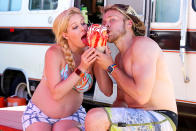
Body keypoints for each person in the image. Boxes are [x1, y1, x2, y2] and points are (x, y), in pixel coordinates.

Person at [85, 4, 178, 131]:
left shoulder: (142, 45)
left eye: (112, 20)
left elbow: (141, 97)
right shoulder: (119, 57)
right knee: (88, 122)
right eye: (104, 21)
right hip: (136, 116)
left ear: (129, 23)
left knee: (94, 117)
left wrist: (110, 66)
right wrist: (98, 54)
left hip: (161, 118)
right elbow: (110, 93)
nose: (105, 25)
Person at [22, 7, 112, 131]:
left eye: (83, 23)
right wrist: (82, 68)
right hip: (39, 115)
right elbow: (56, 94)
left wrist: (102, 58)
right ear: (65, 34)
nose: (83, 28)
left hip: (72, 116)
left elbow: (107, 92)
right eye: (75, 27)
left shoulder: (91, 52)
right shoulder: (54, 53)